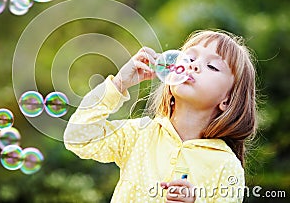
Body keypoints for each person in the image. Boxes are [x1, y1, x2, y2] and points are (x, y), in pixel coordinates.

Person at [64, 30, 257, 202]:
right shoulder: (139, 135)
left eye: (212, 66)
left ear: (227, 100)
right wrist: (119, 84)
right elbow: (78, 138)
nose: (194, 66)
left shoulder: (226, 166)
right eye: (188, 59)